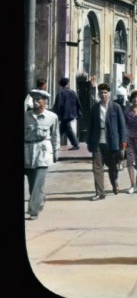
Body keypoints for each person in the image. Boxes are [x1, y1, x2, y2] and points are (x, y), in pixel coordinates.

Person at [87, 83, 127, 200]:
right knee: (97, 168)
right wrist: (89, 142)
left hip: (112, 142)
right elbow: (90, 126)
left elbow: (122, 126)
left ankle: (114, 183)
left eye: (105, 93)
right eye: (101, 93)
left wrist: (123, 143)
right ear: (98, 94)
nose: (103, 95)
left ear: (109, 94)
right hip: (98, 142)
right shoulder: (95, 108)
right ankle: (100, 193)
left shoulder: (116, 107)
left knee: (113, 168)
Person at [24, 89, 60, 220]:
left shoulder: (52, 117)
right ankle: (40, 199)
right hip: (28, 151)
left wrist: (56, 151)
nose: (35, 102)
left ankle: (33, 210)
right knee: (32, 181)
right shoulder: (26, 116)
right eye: (34, 99)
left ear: (45, 101)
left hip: (43, 151)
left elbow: (55, 135)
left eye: (38, 99)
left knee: (39, 180)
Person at [52, 77, 82, 150]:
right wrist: (79, 112)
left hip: (64, 115)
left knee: (66, 128)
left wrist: (55, 113)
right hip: (71, 114)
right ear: (67, 84)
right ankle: (55, 143)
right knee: (62, 129)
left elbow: (58, 105)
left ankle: (75, 144)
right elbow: (78, 103)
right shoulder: (73, 92)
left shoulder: (60, 93)